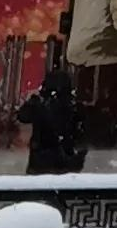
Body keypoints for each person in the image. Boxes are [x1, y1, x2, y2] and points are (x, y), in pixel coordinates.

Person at [16, 34, 88, 177]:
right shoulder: (73, 106)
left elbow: (22, 116)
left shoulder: (42, 104)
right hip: (65, 161)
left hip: (43, 161)